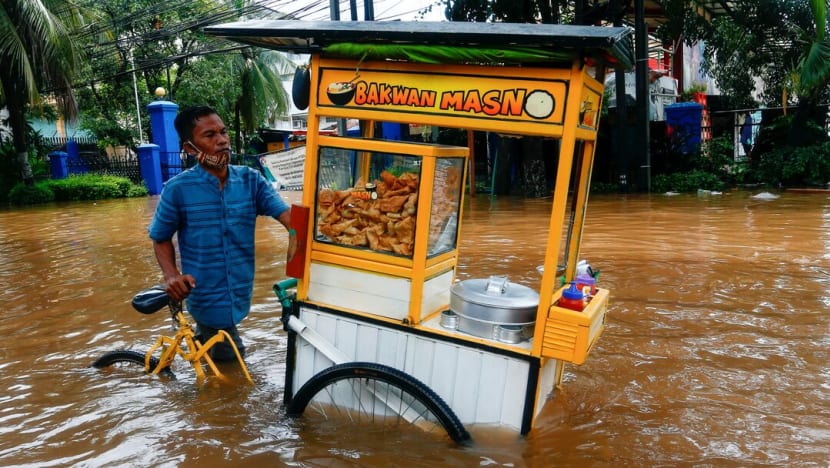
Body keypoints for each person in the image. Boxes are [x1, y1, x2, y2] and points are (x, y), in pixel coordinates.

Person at [148, 105, 296, 362]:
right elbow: (160, 237)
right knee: (233, 364)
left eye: (223, 132)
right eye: (210, 135)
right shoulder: (177, 189)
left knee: (211, 357)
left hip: (239, 289)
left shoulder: (251, 181)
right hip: (204, 292)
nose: (222, 140)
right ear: (190, 148)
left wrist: (308, 235)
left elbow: (288, 218)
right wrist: (171, 275)